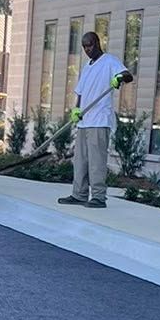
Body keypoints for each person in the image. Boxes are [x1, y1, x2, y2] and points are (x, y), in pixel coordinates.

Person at [60, 30, 133, 209]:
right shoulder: (87, 66)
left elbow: (128, 75)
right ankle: (79, 194)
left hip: (100, 120)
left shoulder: (109, 61)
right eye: (84, 47)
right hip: (84, 120)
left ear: (98, 43)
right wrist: (76, 109)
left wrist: (118, 78)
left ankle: (99, 197)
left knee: (96, 161)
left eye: (90, 45)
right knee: (80, 161)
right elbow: (80, 91)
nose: (87, 50)